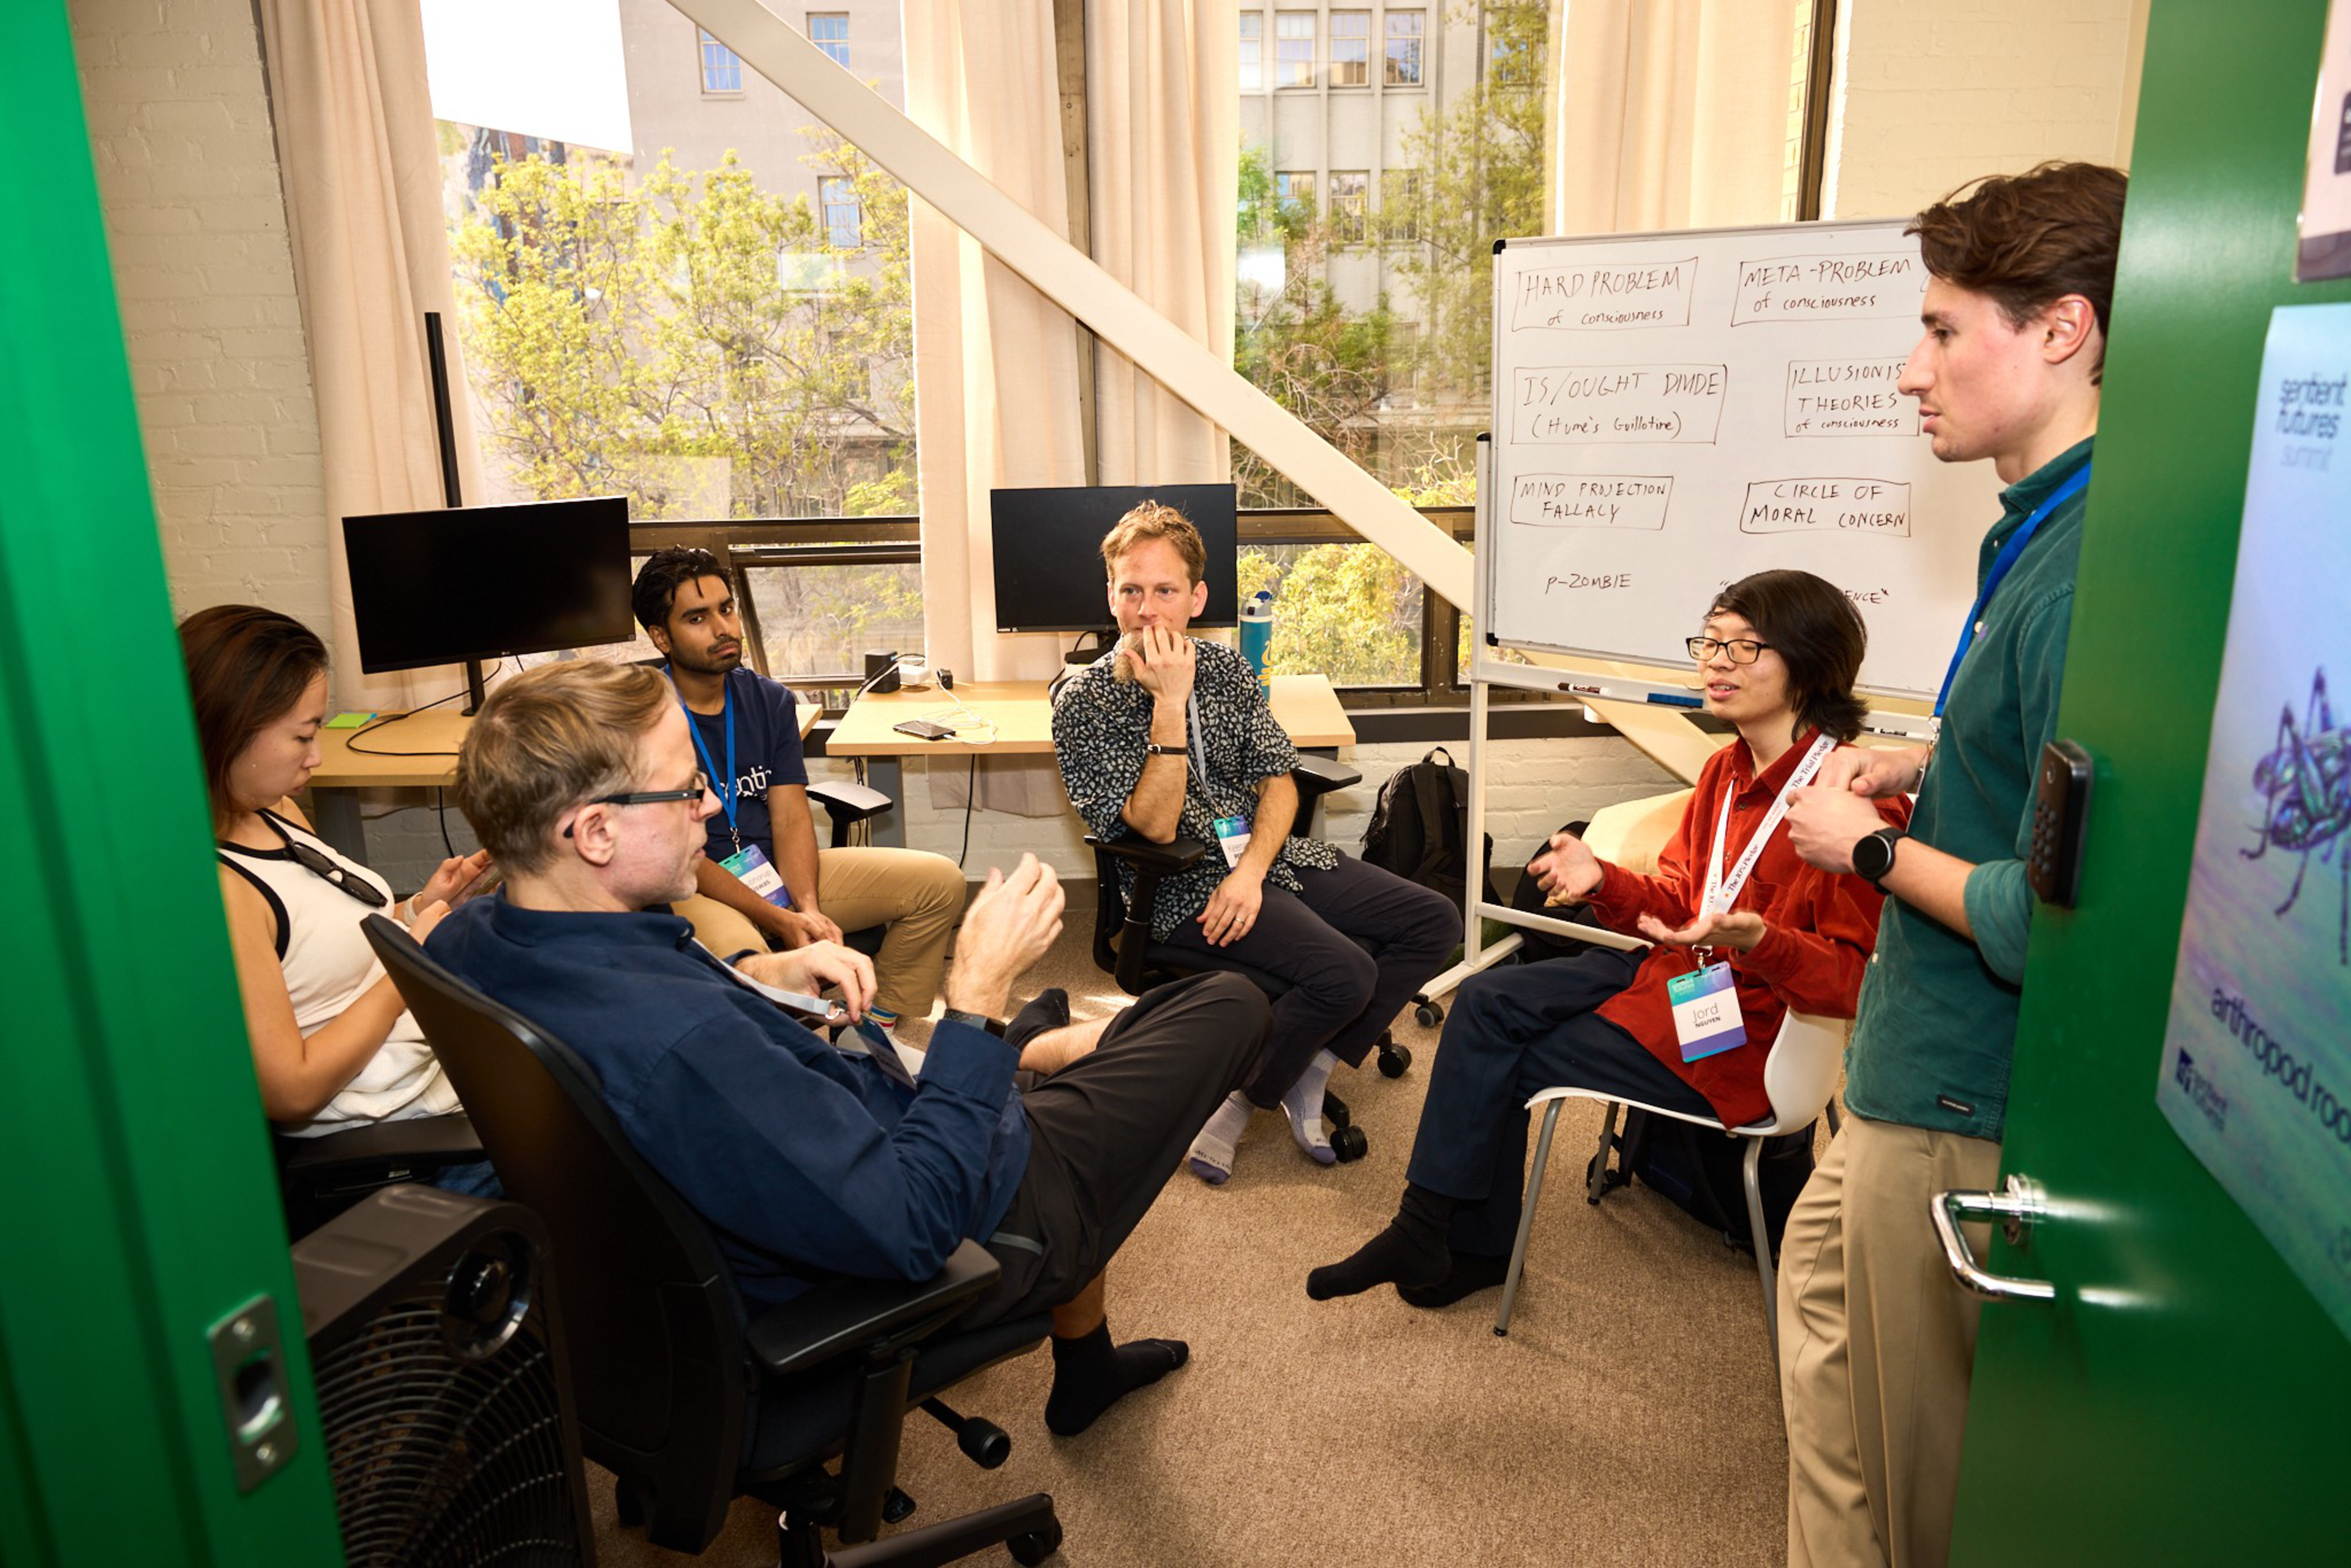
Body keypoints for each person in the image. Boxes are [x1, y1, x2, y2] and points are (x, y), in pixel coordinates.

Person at [429, 661, 1271, 1436]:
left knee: (1035, 1042)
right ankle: (1021, 1063)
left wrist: (765, 971)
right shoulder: (691, 1047)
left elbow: (676, 1001)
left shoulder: (472, 936)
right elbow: (916, 1226)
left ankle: (1029, 1069)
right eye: (687, 791)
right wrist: (973, 1000)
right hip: (970, 1220)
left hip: (835, 1136)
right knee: (1228, 1004)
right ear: (597, 833)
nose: (714, 808)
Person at [1779, 160, 2126, 1568]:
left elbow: (2045, 917)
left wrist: (1863, 842)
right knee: (1821, 1340)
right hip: (1894, 1065)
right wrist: (1933, 759)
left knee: (1920, 1481)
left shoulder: (2085, 565)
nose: (1909, 368)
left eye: (1940, 328)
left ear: (2059, 330)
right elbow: (2046, 773)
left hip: (1950, 1091)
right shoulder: (2037, 528)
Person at [1305, 570, 1907, 1305]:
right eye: (1709, 642)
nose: (1716, 662)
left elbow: (1853, 984)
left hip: (1744, 1039)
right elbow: (1681, 907)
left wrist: (1760, 943)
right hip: (1680, 979)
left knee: (1508, 1057)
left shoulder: (1856, 802)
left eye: (1744, 647)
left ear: (1811, 663)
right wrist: (1603, 880)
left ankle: (1460, 1239)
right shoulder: (1723, 771)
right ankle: (1430, 1228)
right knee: (1485, 999)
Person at [1051, 500, 1461, 1184]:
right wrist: (1170, 703)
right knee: (1346, 974)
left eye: (1166, 590)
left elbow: (1279, 781)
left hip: (1263, 863)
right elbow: (1151, 826)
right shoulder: (1084, 701)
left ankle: (1309, 1063)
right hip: (1179, 888)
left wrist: (1252, 871)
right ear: (1110, 594)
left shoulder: (1229, 669)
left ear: (1197, 597)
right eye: (1131, 589)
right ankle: (1247, 1097)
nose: (1148, 609)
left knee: (1434, 920)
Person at [186, 605, 497, 1191]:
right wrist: (411, 968)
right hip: (401, 1133)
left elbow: (325, 942)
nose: (316, 757)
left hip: (429, 1069)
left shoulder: (271, 809)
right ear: (228, 728)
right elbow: (292, 1090)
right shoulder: (226, 892)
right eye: (302, 736)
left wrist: (420, 905)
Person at [633, 547, 965, 1038]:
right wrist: (778, 919)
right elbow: (676, 852)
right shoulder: (643, 716)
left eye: (727, 609)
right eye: (698, 618)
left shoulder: (769, 701)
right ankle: (807, 1062)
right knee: (769, 972)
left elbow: (790, 819)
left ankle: (875, 1018)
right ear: (661, 636)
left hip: (770, 868)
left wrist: (806, 907)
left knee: (939, 883)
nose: (724, 628)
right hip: (692, 882)